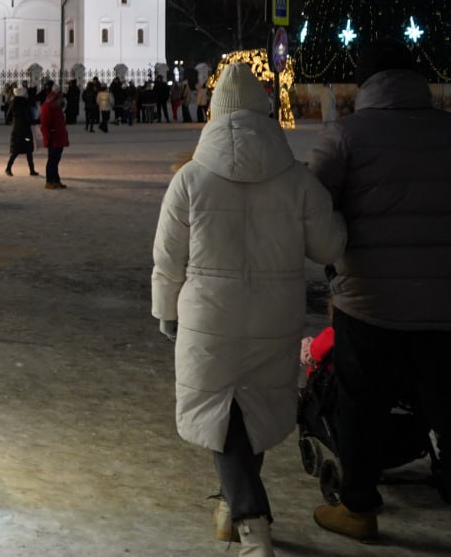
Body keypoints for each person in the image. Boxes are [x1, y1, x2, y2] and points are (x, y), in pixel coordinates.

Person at [151, 62, 346, 556]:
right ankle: (230, 506)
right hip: (274, 316)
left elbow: (167, 260)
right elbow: (329, 246)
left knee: (225, 413)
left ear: (215, 115)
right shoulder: (296, 181)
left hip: (209, 318)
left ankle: (250, 522)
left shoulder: (190, 180)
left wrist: (165, 311)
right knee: (251, 408)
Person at [306, 38, 451, 542]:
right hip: (444, 302)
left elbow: (313, 209)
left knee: (361, 403)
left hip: (369, 300)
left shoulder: (346, 137)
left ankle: (359, 507)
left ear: (365, 83)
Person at [38, 81, 69, 189]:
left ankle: (56, 180)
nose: (61, 100)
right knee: (52, 161)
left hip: (59, 137)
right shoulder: (48, 108)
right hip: (53, 138)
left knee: (55, 161)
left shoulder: (57, 108)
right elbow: (44, 126)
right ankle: (49, 181)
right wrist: (47, 139)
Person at [4, 87, 39, 177]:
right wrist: (38, 121)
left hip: (16, 130)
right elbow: (29, 118)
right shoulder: (25, 104)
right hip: (25, 131)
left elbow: (8, 117)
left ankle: (8, 168)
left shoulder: (13, 103)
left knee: (15, 151)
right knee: (28, 150)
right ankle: (31, 170)